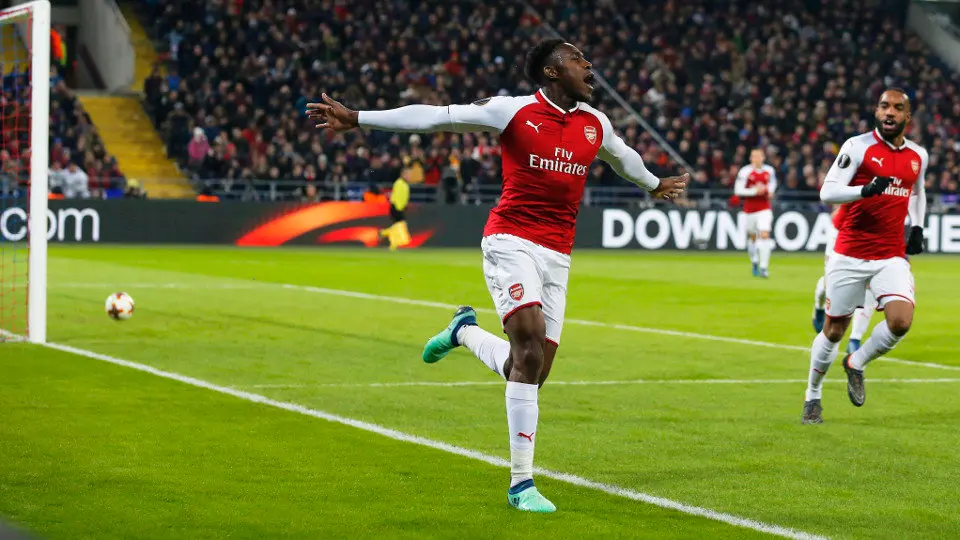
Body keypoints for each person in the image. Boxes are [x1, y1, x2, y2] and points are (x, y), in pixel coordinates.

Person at [307, 39, 688, 512]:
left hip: (558, 254)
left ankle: (463, 332)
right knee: (528, 344)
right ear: (551, 72)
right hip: (510, 239)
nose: (589, 65)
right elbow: (434, 116)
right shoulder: (512, 111)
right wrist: (361, 118)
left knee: (528, 370)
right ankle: (521, 483)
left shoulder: (595, 123)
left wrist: (653, 184)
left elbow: (623, 156)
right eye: (577, 60)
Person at [802, 88, 926, 425]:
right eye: (884, 106)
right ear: (876, 111)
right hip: (851, 252)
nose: (889, 112)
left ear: (907, 117)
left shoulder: (918, 155)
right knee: (833, 331)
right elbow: (827, 191)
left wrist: (917, 226)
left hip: (891, 254)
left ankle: (856, 362)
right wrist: (864, 190)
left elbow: (918, 191)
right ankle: (813, 395)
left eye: (897, 108)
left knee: (900, 321)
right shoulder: (857, 147)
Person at [812, 206, 876, 355]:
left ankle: (855, 340)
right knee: (828, 285)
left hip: (867, 242)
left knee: (868, 289)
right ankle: (819, 306)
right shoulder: (840, 221)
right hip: (842, 241)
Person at [734, 148, 777, 278]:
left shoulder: (770, 170)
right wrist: (754, 191)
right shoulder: (745, 171)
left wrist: (770, 191)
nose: (756, 158)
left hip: (764, 208)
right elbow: (738, 190)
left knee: (764, 234)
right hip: (749, 210)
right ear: (751, 158)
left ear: (763, 157)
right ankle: (754, 262)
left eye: (758, 156)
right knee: (752, 238)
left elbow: (773, 183)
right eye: (753, 156)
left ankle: (764, 268)